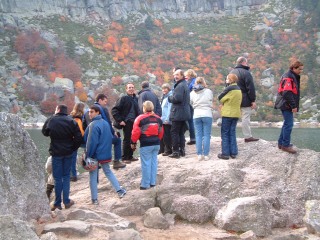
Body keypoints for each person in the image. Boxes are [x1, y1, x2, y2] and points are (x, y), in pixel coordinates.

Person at [42, 104, 83, 211]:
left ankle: (57, 203)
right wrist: (73, 147)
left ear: (58, 110)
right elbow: (79, 137)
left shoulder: (51, 120)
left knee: (57, 178)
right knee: (66, 177)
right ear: (65, 111)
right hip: (68, 152)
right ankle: (66, 201)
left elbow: (44, 132)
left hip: (56, 153)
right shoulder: (71, 121)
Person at [84, 105, 127, 205]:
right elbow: (109, 139)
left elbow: (91, 143)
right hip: (105, 153)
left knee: (93, 175)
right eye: (89, 112)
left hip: (95, 155)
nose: (90, 114)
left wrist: (87, 156)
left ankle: (94, 199)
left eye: (92, 112)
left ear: (98, 112)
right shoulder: (106, 123)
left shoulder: (93, 125)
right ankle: (119, 190)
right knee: (108, 171)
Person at [83, 94, 126, 170]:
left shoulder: (87, 110)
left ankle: (95, 163)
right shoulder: (102, 109)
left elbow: (84, 124)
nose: (106, 103)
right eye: (105, 101)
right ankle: (116, 161)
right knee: (117, 140)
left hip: (91, 137)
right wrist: (113, 132)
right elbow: (107, 122)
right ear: (100, 100)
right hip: (102, 137)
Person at [131, 101, 163, 190]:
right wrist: (157, 140)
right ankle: (153, 182)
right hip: (156, 143)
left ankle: (145, 184)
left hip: (145, 144)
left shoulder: (140, 118)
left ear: (144, 108)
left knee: (146, 164)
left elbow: (136, 132)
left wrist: (133, 142)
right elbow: (161, 132)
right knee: (154, 163)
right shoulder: (158, 118)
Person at [275, 60, 304, 154]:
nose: (301, 71)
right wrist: (293, 106)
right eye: (299, 69)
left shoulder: (291, 76)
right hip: (286, 104)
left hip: (285, 103)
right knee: (289, 124)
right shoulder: (289, 77)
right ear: (294, 68)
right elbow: (287, 93)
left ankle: (281, 143)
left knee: (286, 124)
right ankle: (285, 145)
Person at [230, 57, 259, 143]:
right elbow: (250, 88)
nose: (247, 64)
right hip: (245, 98)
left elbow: (227, 86)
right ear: (243, 62)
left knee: (233, 117)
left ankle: (231, 136)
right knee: (245, 117)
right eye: (246, 63)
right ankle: (247, 136)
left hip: (233, 98)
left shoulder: (231, 73)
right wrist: (253, 100)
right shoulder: (246, 73)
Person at [112, 82, 139, 163]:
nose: (131, 89)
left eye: (132, 87)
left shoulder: (136, 99)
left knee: (133, 139)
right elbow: (114, 110)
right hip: (127, 122)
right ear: (126, 89)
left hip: (135, 122)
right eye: (129, 87)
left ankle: (130, 156)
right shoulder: (123, 98)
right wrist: (120, 120)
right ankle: (125, 157)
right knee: (127, 139)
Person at [217, 74, 242, 160]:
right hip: (236, 114)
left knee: (225, 133)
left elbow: (220, 98)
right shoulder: (239, 89)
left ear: (230, 80)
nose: (226, 80)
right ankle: (233, 153)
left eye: (227, 78)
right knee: (232, 132)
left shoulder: (229, 89)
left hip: (228, 113)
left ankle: (225, 154)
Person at [168, 69, 191, 158]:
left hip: (177, 113)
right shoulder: (184, 84)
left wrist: (170, 98)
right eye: (174, 75)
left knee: (174, 132)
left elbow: (177, 98)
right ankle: (182, 150)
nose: (175, 76)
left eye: (177, 75)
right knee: (181, 133)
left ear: (182, 75)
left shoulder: (180, 86)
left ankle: (176, 152)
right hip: (184, 112)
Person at [190, 77, 213, 161]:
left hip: (196, 114)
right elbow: (210, 101)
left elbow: (191, 103)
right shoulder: (208, 91)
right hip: (207, 113)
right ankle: (206, 155)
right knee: (206, 135)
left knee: (198, 135)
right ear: (204, 82)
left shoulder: (192, 93)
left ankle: (199, 154)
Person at [70, 102, 85, 181]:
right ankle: (92, 166)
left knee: (72, 157)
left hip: (71, 140)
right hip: (80, 139)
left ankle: (73, 174)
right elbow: (81, 131)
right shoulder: (80, 118)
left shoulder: (70, 117)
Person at [159, 83, 173, 156]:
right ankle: (167, 149)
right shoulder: (164, 97)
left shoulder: (169, 97)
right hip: (163, 119)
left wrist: (167, 119)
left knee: (167, 135)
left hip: (167, 120)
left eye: (165, 88)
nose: (164, 90)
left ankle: (168, 150)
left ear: (168, 89)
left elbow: (170, 109)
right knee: (165, 135)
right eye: (163, 88)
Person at [184, 69, 197, 145]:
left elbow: (188, 90)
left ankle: (192, 138)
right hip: (194, 103)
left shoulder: (191, 82)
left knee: (190, 121)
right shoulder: (195, 80)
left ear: (189, 75)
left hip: (189, 103)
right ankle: (193, 137)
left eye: (186, 76)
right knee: (191, 120)